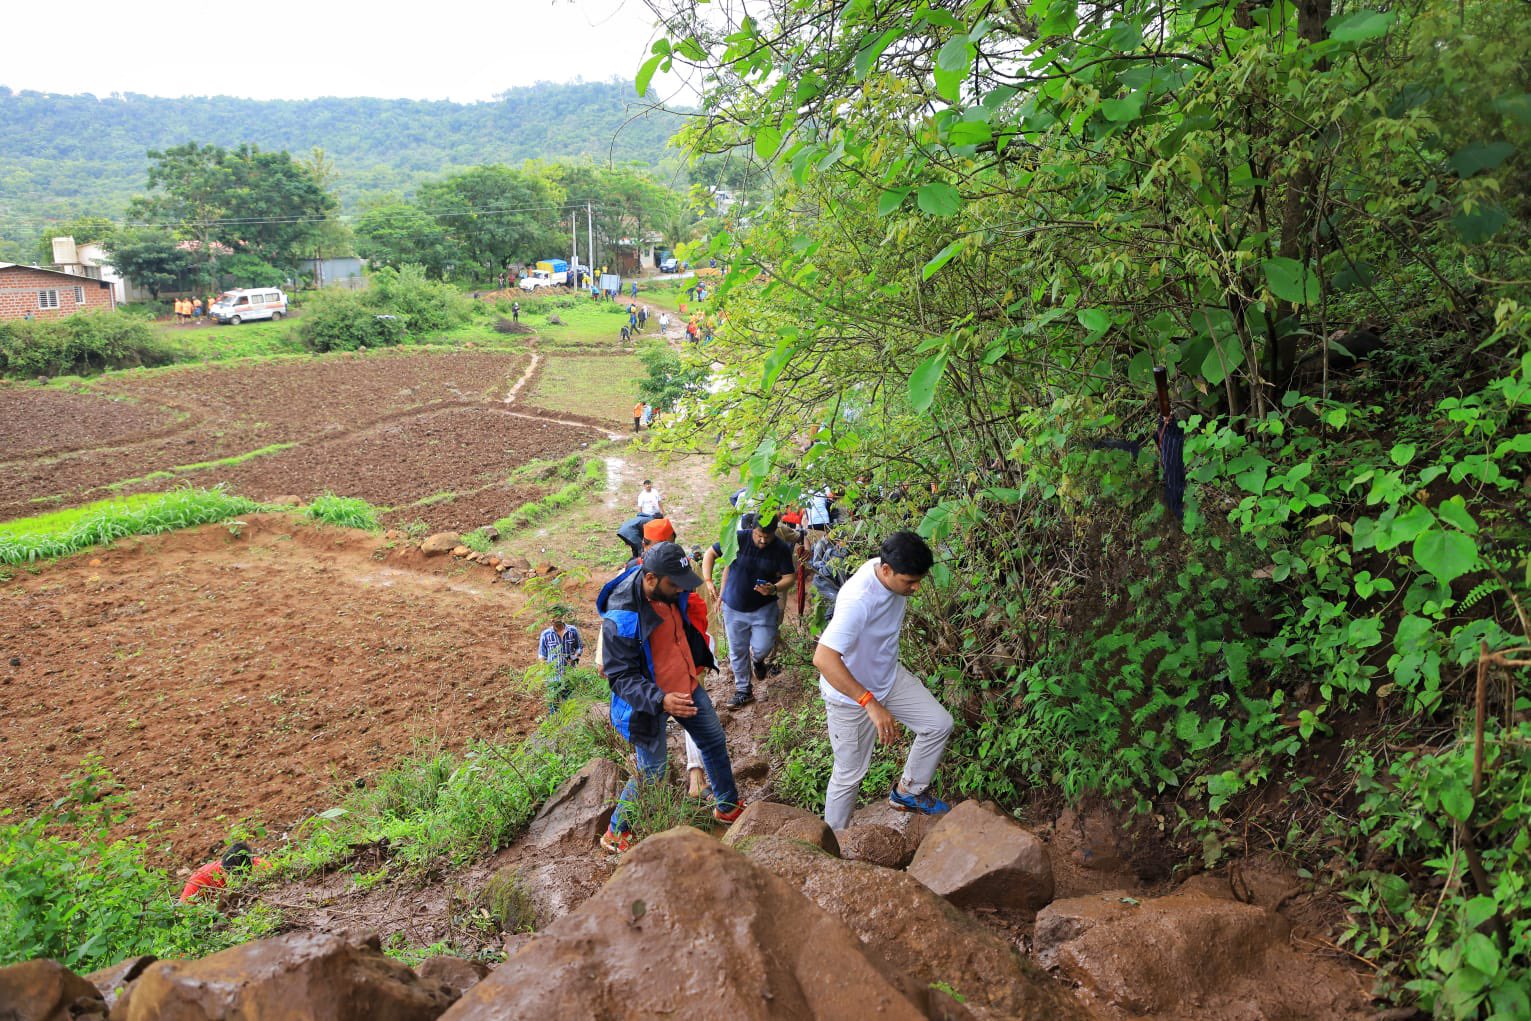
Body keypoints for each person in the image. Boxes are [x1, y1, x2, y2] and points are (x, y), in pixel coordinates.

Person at [598, 542, 745, 853]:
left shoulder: (669, 588)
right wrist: (660, 699)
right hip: (647, 703)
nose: (681, 590)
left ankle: (727, 806)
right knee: (651, 770)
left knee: (714, 741)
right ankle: (616, 832)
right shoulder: (622, 614)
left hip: (685, 683)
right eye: (674, 584)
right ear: (651, 579)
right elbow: (619, 676)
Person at [813, 531, 953, 830]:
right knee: (849, 775)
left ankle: (907, 794)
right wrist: (869, 703)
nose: (915, 588)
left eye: (919, 580)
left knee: (938, 724)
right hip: (850, 697)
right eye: (909, 582)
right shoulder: (859, 600)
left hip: (887, 678)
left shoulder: (888, 568)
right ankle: (832, 843)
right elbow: (823, 659)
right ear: (886, 570)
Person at [701, 514, 796, 708]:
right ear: (753, 529)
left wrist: (774, 588)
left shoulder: (780, 548)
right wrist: (709, 580)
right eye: (759, 535)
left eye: (767, 537)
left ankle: (758, 660)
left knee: (763, 645)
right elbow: (710, 553)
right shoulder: (738, 538)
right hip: (734, 607)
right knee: (737, 651)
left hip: (764, 608)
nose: (762, 540)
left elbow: (790, 577)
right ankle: (743, 690)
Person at [179, 841, 268, 902]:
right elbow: (183, 911)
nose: (237, 883)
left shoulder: (261, 867)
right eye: (232, 876)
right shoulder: (200, 879)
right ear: (222, 870)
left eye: (242, 877)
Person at [537, 611, 584, 713]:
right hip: (553, 678)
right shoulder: (545, 634)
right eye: (551, 617)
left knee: (570, 705)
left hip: (569, 675)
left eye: (555, 617)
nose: (552, 620)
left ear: (562, 617)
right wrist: (545, 673)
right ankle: (555, 723)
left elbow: (579, 647)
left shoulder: (572, 631)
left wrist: (574, 657)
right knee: (553, 706)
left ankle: (569, 726)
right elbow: (542, 655)